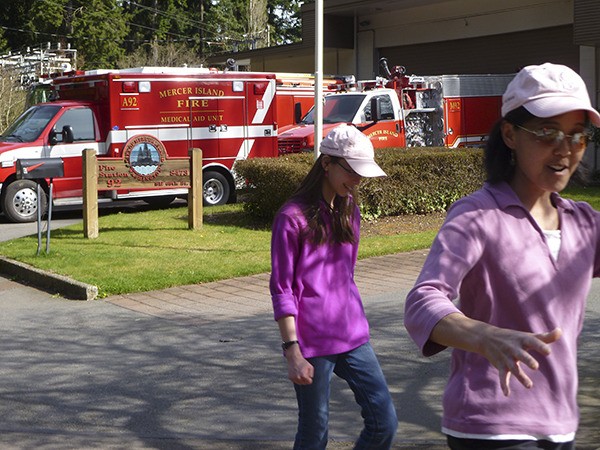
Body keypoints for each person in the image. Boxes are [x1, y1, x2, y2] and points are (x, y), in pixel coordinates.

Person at [404, 62, 600, 450]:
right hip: (491, 428)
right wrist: (485, 337)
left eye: (577, 135)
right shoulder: (478, 216)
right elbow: (422, 302)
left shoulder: (584, 223)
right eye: (547, 133)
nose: (564, 148)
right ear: (510, 134)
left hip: (561, 426)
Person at [270, 123, 398, 449]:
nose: (357, 180)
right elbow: (282, 288)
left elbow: (347, 273)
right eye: (352, 171)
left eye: (361, 173)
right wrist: (292, 351)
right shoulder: (292, 217)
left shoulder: (349, 210)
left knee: (384, 422)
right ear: (326, 163)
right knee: (315, 433)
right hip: (311, 344)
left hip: (353, 334)